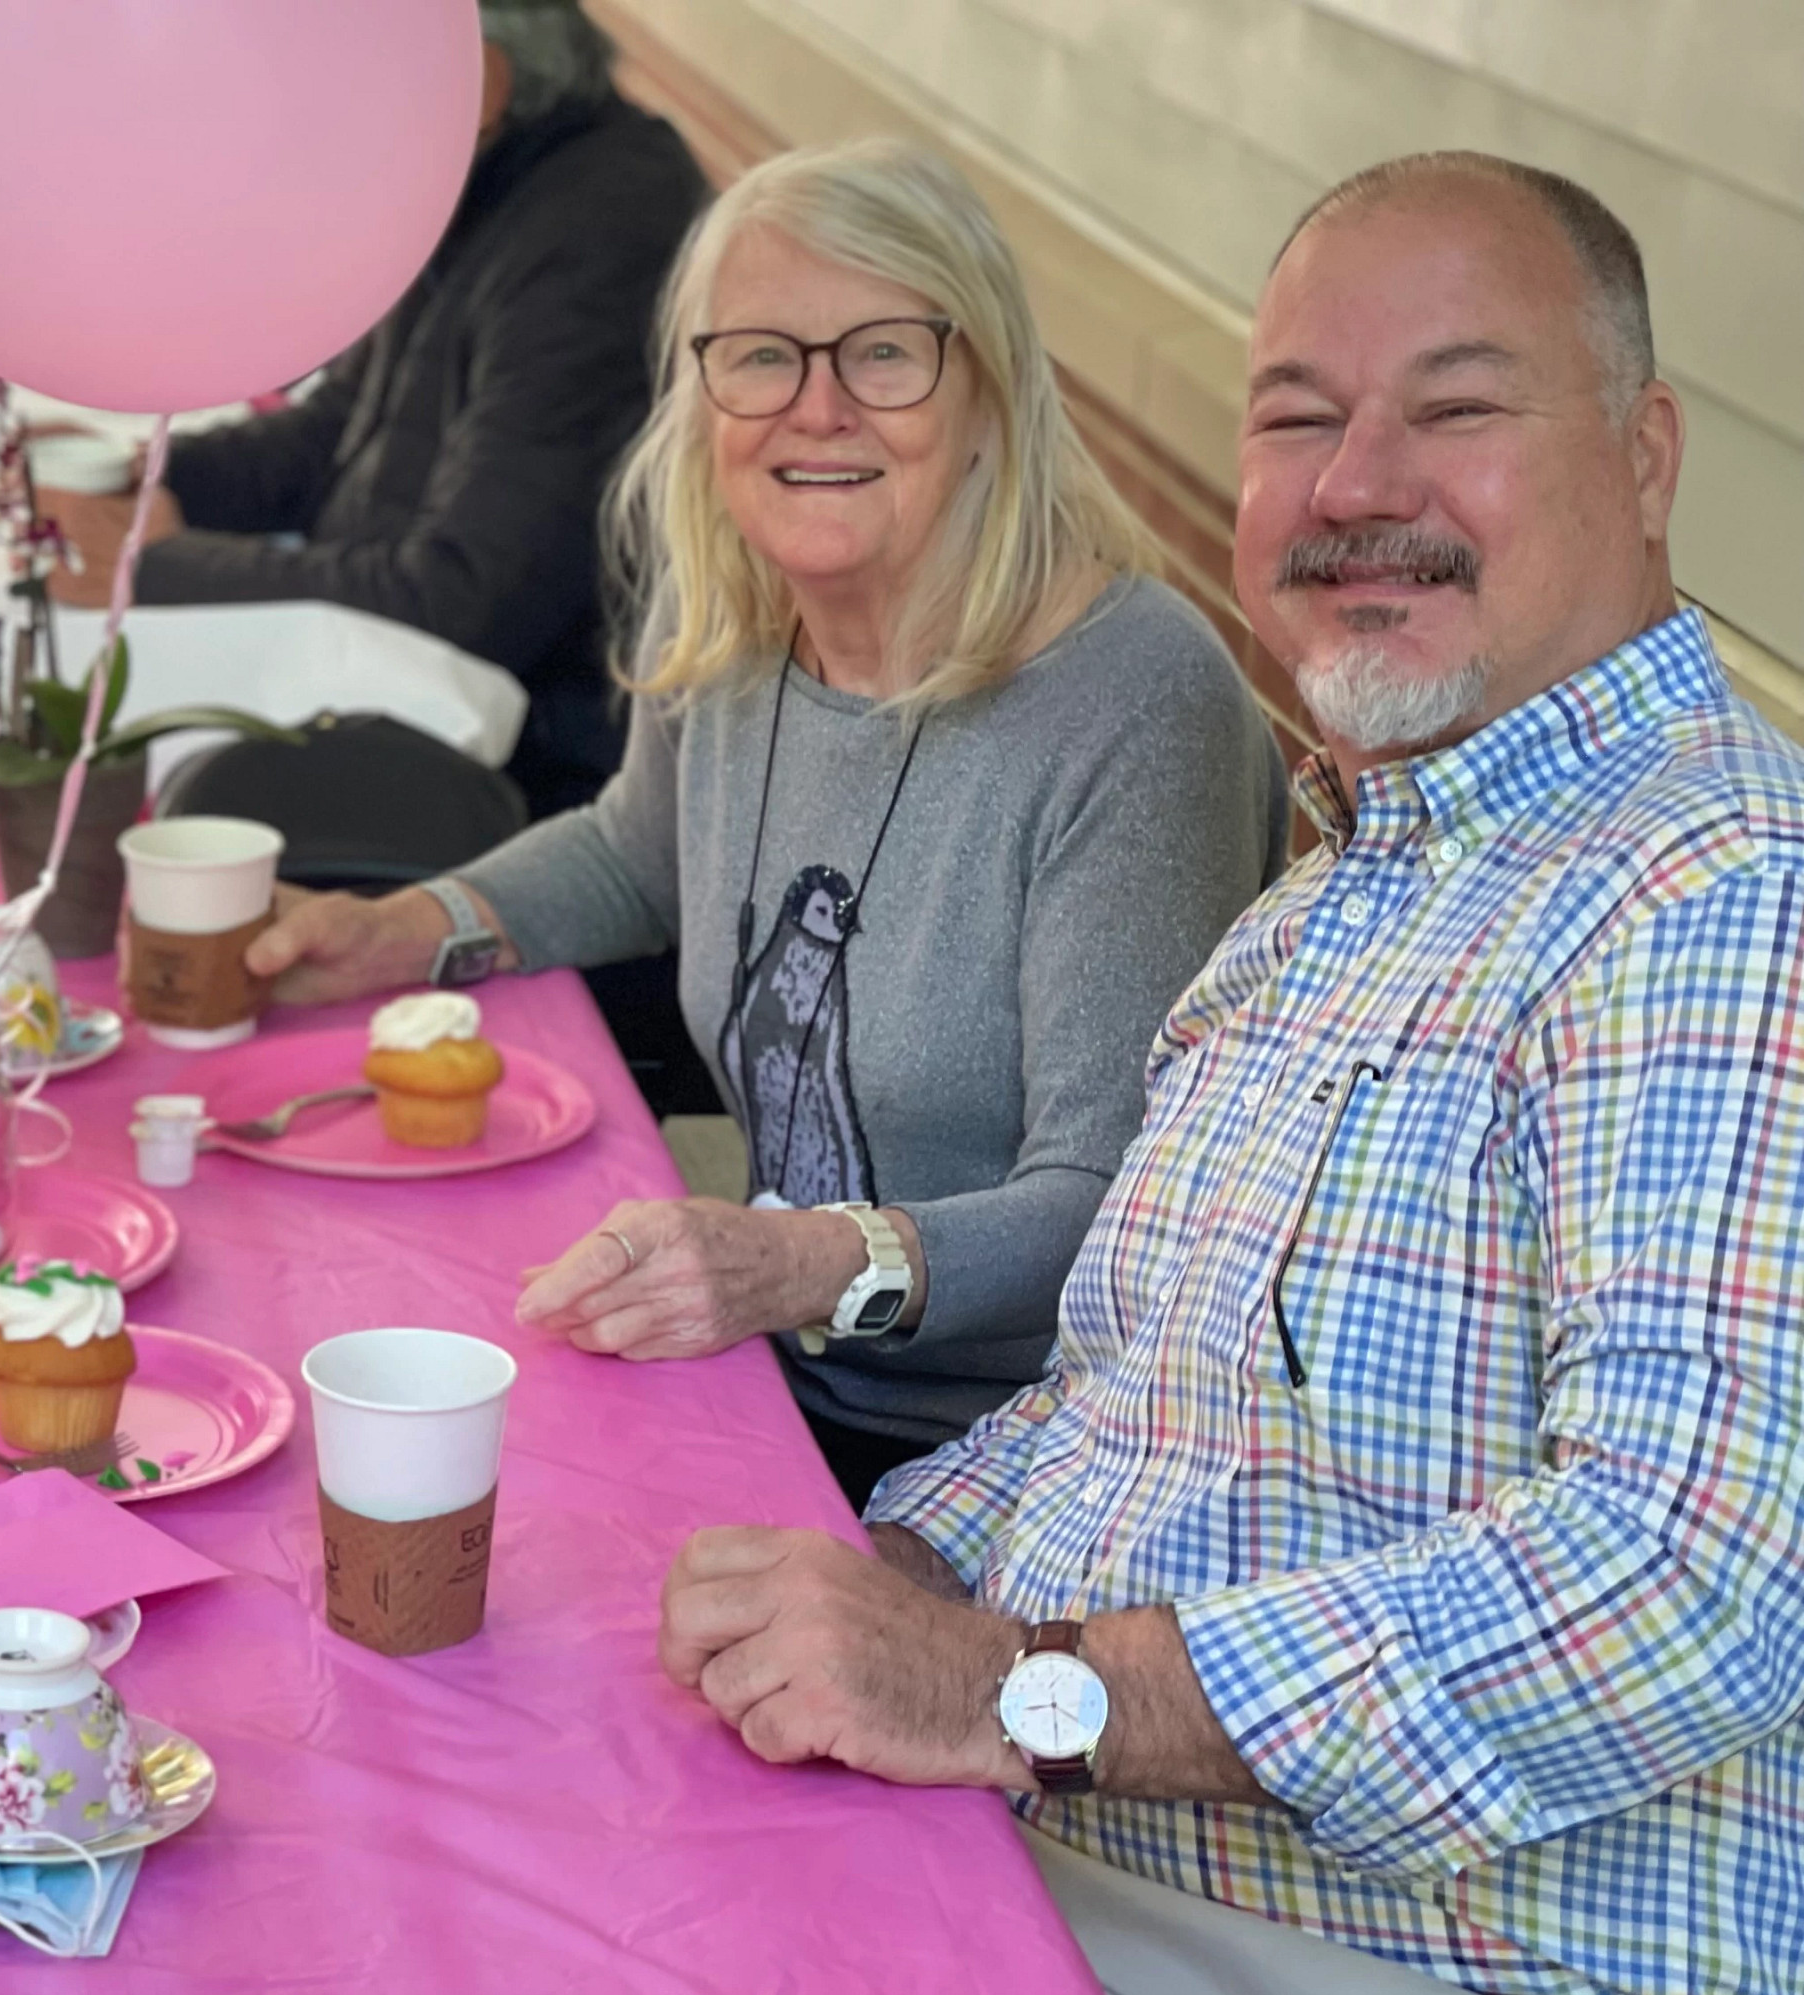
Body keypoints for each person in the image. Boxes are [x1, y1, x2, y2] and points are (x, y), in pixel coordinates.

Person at [654, 150, 1804, 1995]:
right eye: (1296, 418)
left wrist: (1010, 1692)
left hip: (1418, 1973)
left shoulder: (1715, 896)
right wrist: (872, 1575)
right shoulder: (1342, 890)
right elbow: (1118, 1395)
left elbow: (1685, 1585)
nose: (1356, 484)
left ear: (1645, 454)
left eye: (1455, 408)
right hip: (1091, 1851)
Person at [245, 138, 1288, 1508]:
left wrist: (793, 1263)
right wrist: (403, 929)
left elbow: (1115, 1204)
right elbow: (637, 849)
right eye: (761, 357)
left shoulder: (1131, 700)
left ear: (991, 390)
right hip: (777, 1393)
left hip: (1034, 1463)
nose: (817, 409)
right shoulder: (741, 616)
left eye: (884, 354)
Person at [47, 1, 706, 819]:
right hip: (375, 688)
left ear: (483, 84)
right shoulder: (482, 172)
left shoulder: (602, 232)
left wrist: (158, 565)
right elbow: (335, 434)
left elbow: (465, 600)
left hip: (506, 779)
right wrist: (136, 477)